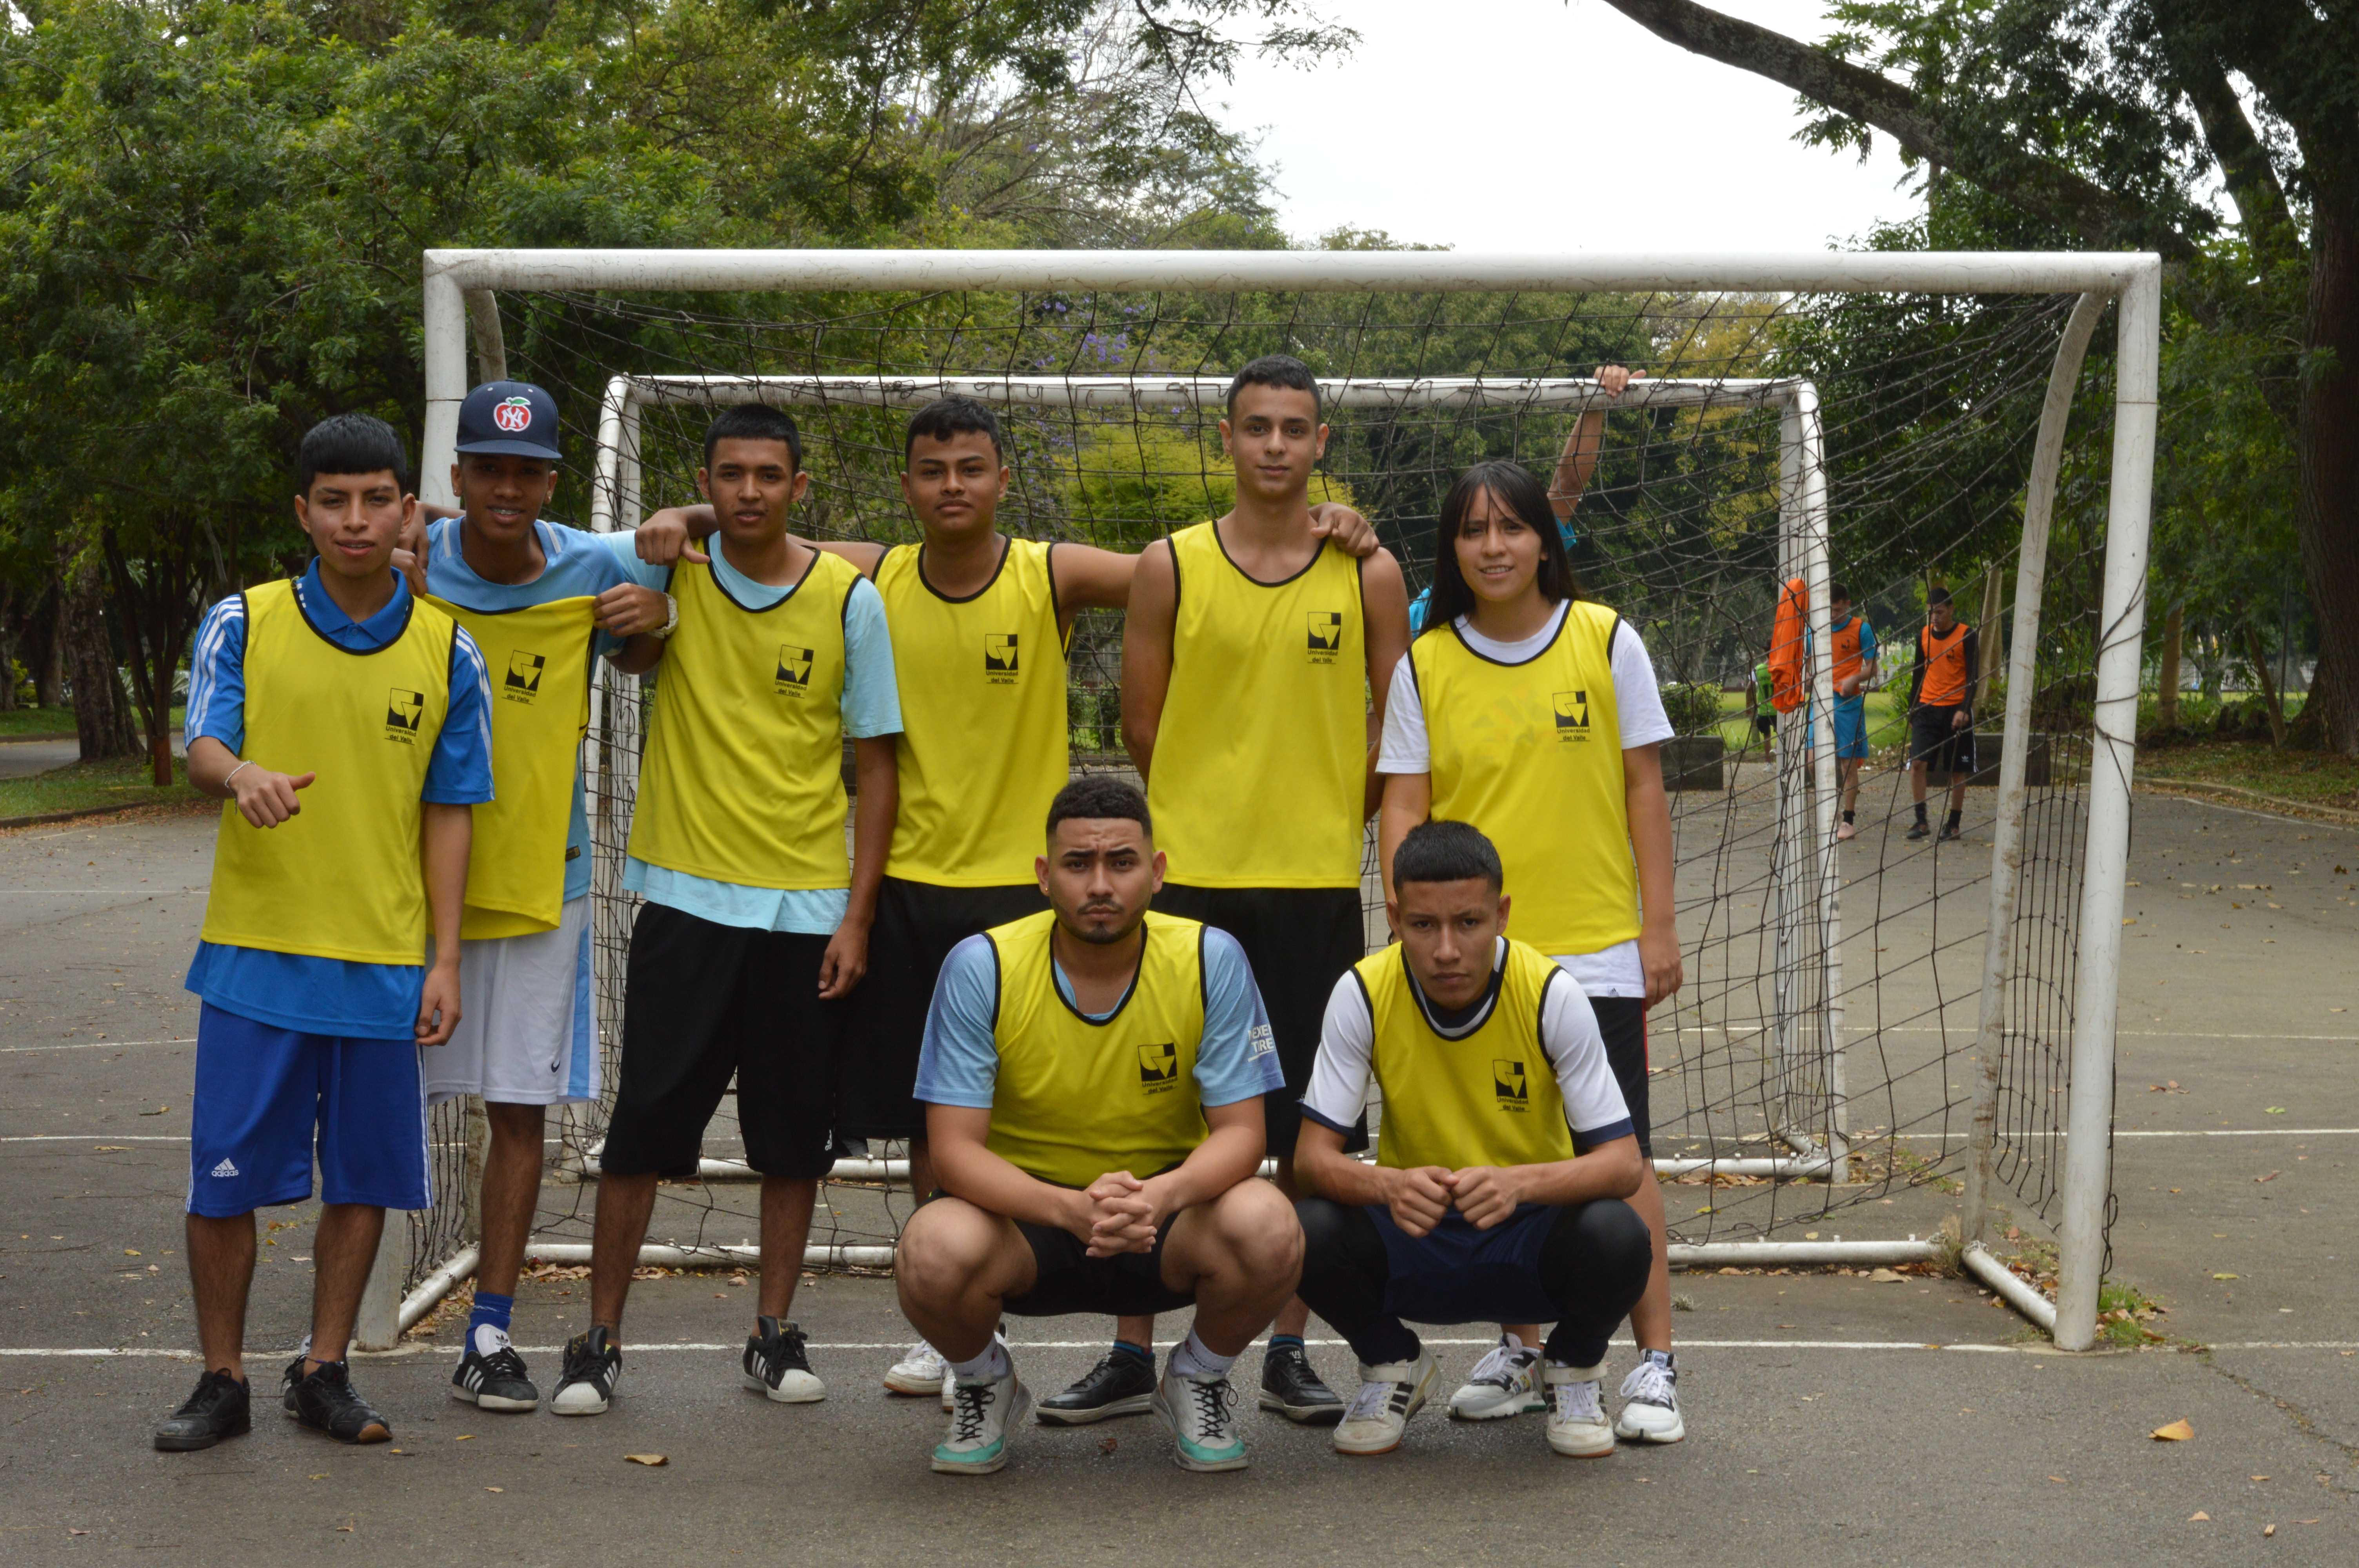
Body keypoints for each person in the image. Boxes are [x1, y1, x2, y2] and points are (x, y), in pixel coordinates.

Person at [628, 396, 1375, 1411]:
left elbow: (1185, 569)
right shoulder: (876, 570)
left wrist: (1323, 526)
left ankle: (1206, 1327)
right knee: (933, 1121)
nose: (952, 486)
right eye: (933, 470)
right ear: (907, 485)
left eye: (971, 468)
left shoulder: (1049, 572)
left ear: (1001, 480)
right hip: (908, 887)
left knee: (1099, 1096)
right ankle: (954, 1336)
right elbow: (758, 524)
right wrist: (681, 517)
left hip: (1028, 891)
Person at [546, 403, 901, 1416]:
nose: (750, 491)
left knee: (791, 1142)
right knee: (641, 1131)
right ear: (707, 483)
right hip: (685, 899)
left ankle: (772, 1332)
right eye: (730, 475)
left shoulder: (847, 599)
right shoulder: (673, 572)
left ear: (798, 486)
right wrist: (656, 583)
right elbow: (631, 651)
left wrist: (858, 917)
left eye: (769, 474)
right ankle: (599, 1339)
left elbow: (877, 766)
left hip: (805, 912)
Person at [155, 414, 493, 1451]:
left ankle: (324, 1368)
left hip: (384, 964)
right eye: (334, 501)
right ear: (304, 513)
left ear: (406, 509)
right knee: (224, 1182)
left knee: (363, 1179)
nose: (356, 519)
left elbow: (451, 810)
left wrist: (444, 959)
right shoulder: (244, 621)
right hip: (256, 958)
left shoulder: (449, 649)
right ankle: (221, 1378)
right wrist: (240, 774)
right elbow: (202, 744)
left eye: (376, 498)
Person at [1120, 353, 1414, 1425]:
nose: (1276, 445)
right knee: (1161, 1117)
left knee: (1304, 1134)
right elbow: (1142, 727)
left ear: (1321, 440)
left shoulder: (1367, 571)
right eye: (1257, 427)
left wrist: (1334, 812)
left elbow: (1399, 725)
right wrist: (1202, 812)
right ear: (1228, 438)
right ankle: (1130, 1344)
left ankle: (1287, 1346)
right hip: (1190, 885)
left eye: (1295, 427)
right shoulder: (1170, 565)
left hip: (1312, 884)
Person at [1374, 456, 1687, 1445]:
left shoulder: (1605, 638)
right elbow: (1403, 802)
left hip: (1594, 947)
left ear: (1543, 542)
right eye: (1472, 530)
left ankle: (1654, 1363)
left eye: (1511, 526)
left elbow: (1643, 786)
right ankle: (1523, 1350)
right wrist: (1407, 917)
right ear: (1451, 550)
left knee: (1620, 1159)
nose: (1494, 546)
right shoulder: (1425, 662)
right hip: (1480, 956)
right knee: (1501, 1149)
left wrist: (1657, 924)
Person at [392, 381, 669, 1412]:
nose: (505, 488)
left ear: (552, 481)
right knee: (381, 1107)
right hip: (401, 889)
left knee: (517, 1114)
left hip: (540, 892)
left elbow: (674, 585)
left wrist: (658, 612)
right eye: (487, 469)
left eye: (526, 471)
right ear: (457, 475)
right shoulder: (408, 558)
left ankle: (490, 1331)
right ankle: (334, 1345)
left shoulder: (593, 568)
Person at [895, 777, 1303, 1475]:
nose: (1101, 884)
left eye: (1122, 862)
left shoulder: (1211, 959)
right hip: (1026, 1220)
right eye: (1078, 864)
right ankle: (985, 1383)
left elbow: (1244, 1135)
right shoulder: (982, 966)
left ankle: (1197, 1376)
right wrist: (1068, 1209)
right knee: (931, 1249)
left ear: (1158, 872)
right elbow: (953, 1151)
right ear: (1044, 876)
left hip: (1164, 1218)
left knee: (1270, 1225)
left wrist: (1160, 1196)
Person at [1293, 821, 1652, 1458]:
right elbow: (1310, 1161)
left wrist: (1520, 1184)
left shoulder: (1550, 993)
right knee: (1301, 1228)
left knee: (1618, 1235)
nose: (1447, 949)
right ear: (1395, 918)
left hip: (1525, 1238)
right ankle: (1391, 1364)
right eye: (1423, 925)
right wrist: (1389, 1186)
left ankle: (1571, 1369)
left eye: (1468, 923)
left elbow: (1624, 1165)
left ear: (1501, 915)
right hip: (1419, 1232)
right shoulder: (1362, 992)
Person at [1905, 586, 1977, 842]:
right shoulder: (1924, 635)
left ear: (1951, 610)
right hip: (1927, 708)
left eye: (1939, 612)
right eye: (1931, 613)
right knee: (1917, 764)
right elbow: (1918, 673)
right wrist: (1913, 709)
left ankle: (1954, 824)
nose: (1934, 618)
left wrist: (1964, 709)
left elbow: (1973, 676)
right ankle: (1921, 820)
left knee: (1957, 770)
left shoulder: (1966, 635)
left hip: (1956, 710)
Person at [1825, 583, 1879, 841]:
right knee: (1812, 760)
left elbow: (1872, 668)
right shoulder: (1816, 629)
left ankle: (1848, 820)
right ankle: (1831, 813)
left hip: (1848, 703)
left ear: (1847, 605)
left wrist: (1854, 679)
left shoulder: (1861, 629)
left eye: (1836, 610)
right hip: (1822, 701)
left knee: (1847, 763)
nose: (1832, 615)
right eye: (1828, 610)